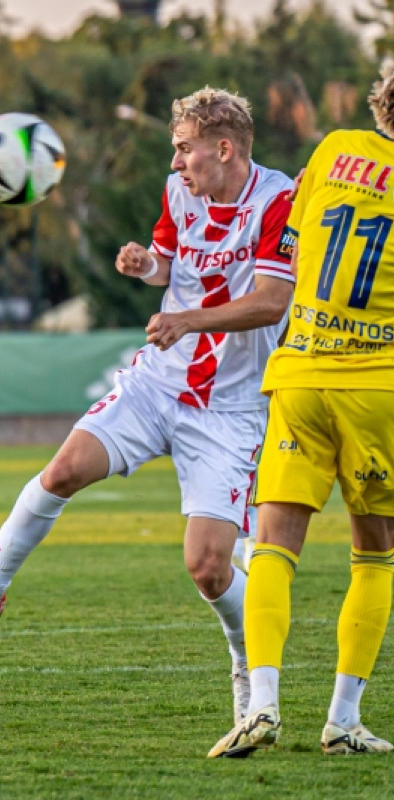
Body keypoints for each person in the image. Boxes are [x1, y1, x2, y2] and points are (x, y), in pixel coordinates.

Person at [0, 86, 295, 726]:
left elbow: (270, 303)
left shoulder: (278, 199)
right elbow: (171, 264)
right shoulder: (180, 193)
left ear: (224, 148)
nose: (176, 163)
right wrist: (146, 264)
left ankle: (242, 659)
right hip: (158, 384)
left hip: (231, 409)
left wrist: (185, 318)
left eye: (185, 150)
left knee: (209, 567)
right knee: (63, 469)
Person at [209, 61, 394, 758]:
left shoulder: (333, 151)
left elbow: (300, 241)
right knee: (376, 557)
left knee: (275, 548)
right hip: (378, 388)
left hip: (300, 374)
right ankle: (343, 720)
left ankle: (260, 705)